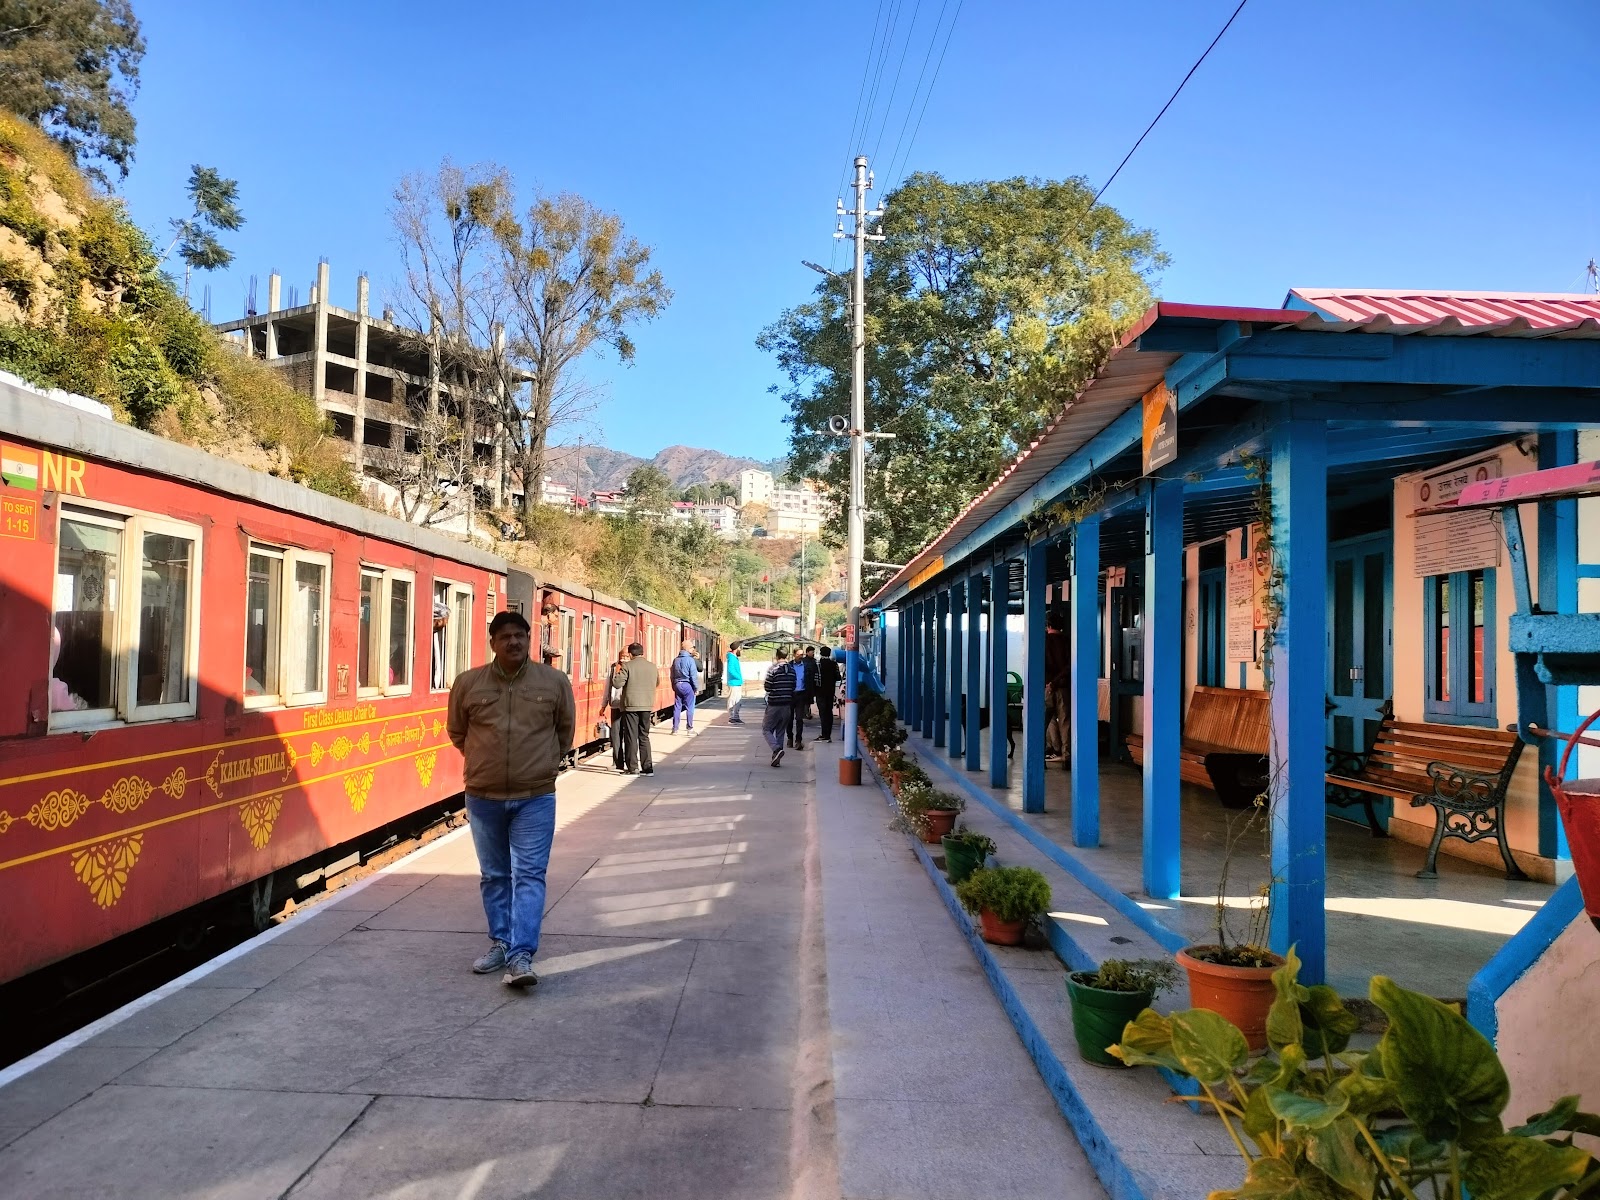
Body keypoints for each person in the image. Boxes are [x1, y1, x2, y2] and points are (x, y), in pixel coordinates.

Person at [447, 610, 575, 989]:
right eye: (505, 636)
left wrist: (545, 766)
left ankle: (521, 954)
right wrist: (481, 762)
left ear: (528, 639)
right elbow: (457, 731)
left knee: (530, 875)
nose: (513, 642)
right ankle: (501, 943)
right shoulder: (469, 683)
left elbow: (564, 731)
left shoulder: (553, 681)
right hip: (484, 796)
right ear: (493, 643)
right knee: (494, 875)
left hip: (535, 796)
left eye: (520, 635)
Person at [617, 641, 658, 775]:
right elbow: (657, 683)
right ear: (642, 652)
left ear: (630, 654)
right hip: (647, 705)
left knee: (631, 736)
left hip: (631, 706)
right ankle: (648, 768)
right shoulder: (652, 667)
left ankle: (633, 767)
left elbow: (617, 684)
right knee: (644, 736)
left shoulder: (627, 666)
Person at [763, 647, 797, 768]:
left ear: (777, 656)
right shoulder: (792, 670)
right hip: (787, 705)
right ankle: (776, 759)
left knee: (766, 729)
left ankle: (776, 750)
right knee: (781, 732)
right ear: (787, 656)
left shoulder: (773, 669)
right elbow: (794, 686)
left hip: (774, 705)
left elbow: (767, 686)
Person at [1043, 610, 1070, 763]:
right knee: (1065, 721)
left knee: (1046, 720)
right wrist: (1057, 681)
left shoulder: (1043, 641)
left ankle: (1050, 750)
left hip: (1047, 687)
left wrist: (1048, 683)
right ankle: (1066, 756)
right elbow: (1069, 666)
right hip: (1063, 687)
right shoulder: (1067, 641)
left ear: (1048, 625)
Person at [670, 639, 702, 734]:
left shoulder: (676, 660)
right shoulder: (690, 660)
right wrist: (695, 688)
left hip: (677, 684)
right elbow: (693, 676)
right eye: (692, 647)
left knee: (677, 707)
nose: (693, 649)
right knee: (690, 707)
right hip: (687, 685)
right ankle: (689, 728)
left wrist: (673, 685)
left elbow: (672, 674)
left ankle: (675, 729)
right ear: (688, 649)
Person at [606, 649, 631, 770]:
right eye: (622, 656)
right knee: (616, 735)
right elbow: (608, 686)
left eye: (626, 656)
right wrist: (604, 703)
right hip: (615, 704)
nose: (624, 658)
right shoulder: (613, 668)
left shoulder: (631, 668)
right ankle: (617, 762)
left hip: (628, 705)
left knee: (628, 734)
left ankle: (629, 760)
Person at [815, 645, 841, 742]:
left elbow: (815, 678)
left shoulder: (818, 664)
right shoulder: (834, 664)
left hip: (820, 692)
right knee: (829, 713)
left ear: (821, 654)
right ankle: (828, 735)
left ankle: (823, 734)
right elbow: (838, 677)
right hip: (830, 692)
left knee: (822, 713)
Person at [789, 647, 809, 749]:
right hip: (790, 694)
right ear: (794, 655)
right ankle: (790, 738)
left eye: (802, 655)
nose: (800, 656)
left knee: (799, 719)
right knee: (789, 718)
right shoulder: (789, 665)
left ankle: (798, 740)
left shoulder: (805, 666)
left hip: (801, 694)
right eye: (798, 654)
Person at [725, 642, 745, 723]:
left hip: (736, 682)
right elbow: (731, 670)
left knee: (737, 700)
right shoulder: (732, 658)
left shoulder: (734, 658)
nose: (740, 649)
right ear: (736, 649)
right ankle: (732, 716)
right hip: (734, 682)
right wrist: (739, 677)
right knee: (733, 700)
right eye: (739, 648)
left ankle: (735, 716)